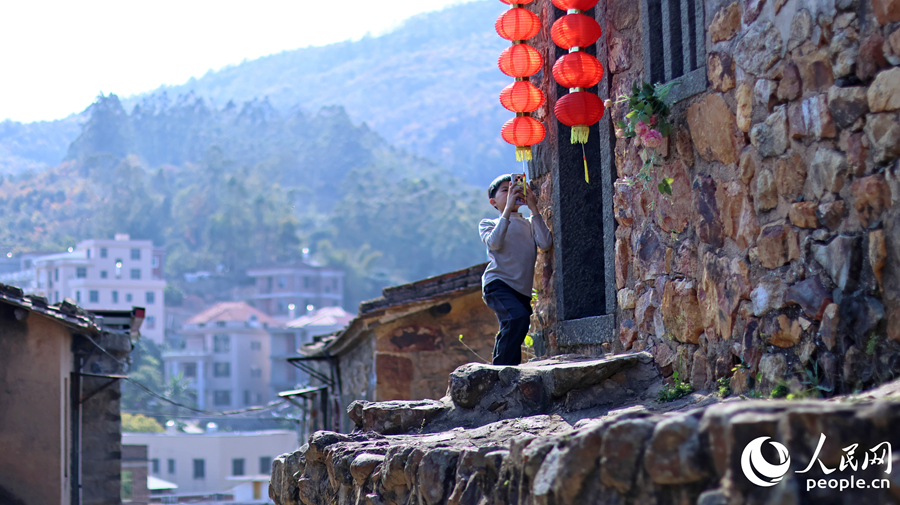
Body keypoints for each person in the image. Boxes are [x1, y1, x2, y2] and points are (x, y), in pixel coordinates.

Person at [480, 174, 552, 366]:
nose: (512, 192)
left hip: (522, 289)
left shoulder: (529, 223)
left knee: (514, 326)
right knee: (516, 318)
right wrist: (507, 213)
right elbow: (494, 243)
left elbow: (545, 243)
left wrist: (534, 207)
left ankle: (505, 369)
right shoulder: (489, 224)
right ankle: (502, 371)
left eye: (515, 188)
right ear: (493, 202)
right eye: (505, 190)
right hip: (498, 284)